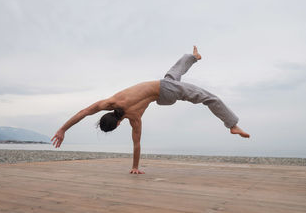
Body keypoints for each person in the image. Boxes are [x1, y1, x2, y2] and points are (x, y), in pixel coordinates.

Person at [51, 46, 250, 174]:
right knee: (209, 97)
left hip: (164, 95)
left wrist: (135, 167)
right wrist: (62, 129)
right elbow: (83, 112)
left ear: (118, 124)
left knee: (173, 74)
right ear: (107, 115)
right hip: (165, 90)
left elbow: (136, 144)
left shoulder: (134, 119)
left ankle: (193, 56)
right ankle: (232, 125)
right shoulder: (111, 102)